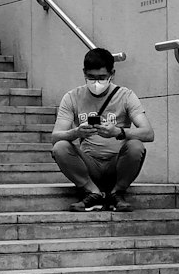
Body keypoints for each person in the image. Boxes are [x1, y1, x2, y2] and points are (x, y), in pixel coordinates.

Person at [51, 47, 154, 212]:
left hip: (117, 164)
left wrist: (118, 132)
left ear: (112, 74)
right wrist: (76, 132)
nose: (96, 82)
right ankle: (92, 192)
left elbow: (148, 133)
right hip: (89, 165)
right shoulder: (72, 97)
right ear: (84, 73)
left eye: (102, 77)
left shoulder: (126, 95)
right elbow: (55, 137)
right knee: (60, 147)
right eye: (91, 77)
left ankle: (117, 192)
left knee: (136, 145)